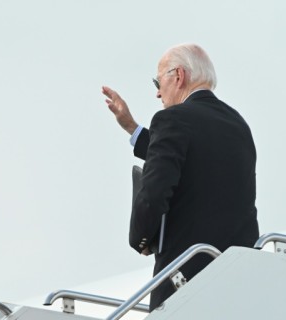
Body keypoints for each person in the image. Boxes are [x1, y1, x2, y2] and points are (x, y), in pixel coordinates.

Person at [102, 43, 259, 310]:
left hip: (186, 278)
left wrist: (141, 238)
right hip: (239, 277)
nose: (157, 93)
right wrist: (132, 127)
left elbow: (154, 193)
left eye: (158, 80)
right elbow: (193, 155)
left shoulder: (172, 119)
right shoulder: (238, 124)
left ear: (178, 76)